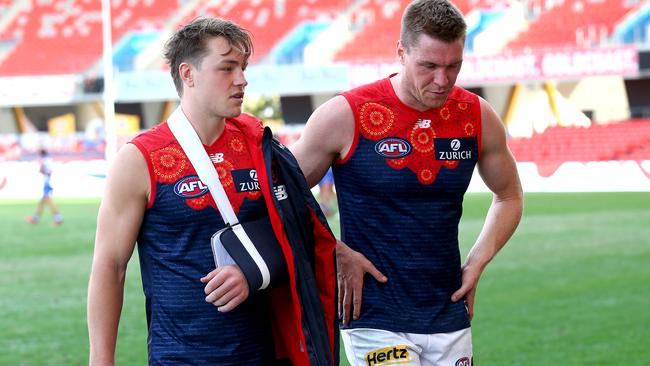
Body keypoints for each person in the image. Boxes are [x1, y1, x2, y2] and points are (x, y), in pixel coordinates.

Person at [87, 17, 338, 365]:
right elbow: (110, 266)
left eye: (243, 67)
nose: (242, 79)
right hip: (179, 357)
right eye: (227, 68)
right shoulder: (139, 159)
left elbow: (296, 233)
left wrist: (254, 270)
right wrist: (101, 360)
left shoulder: (259, 145)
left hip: (263, 354)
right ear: (188, 74)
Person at [290, 0, 524, 365]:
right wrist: (334, 249)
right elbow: (279, 196)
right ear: (401, 52)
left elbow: (508, 195)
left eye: (453, 66)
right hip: (373, 315)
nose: (442, 80)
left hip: (447, 310)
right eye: (428, 66)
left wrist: (477, 262)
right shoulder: (346, 115)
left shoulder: (477, 116)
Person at [25, 148, 63, 225]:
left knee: (49, 202)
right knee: (41, 203)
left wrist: (41, 169)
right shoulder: (48, 160)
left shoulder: (45, 161)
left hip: (47, 184)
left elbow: (45, 171)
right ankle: (35, 219)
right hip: (48, 183)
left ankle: (58, 219)